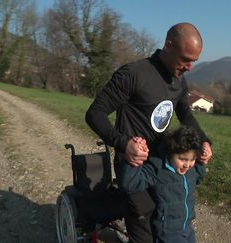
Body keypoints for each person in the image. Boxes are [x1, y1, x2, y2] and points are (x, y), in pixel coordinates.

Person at [85, 22, 213, 243]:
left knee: (168, 220)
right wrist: (124, 144)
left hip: (164, 162)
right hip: (135, 165)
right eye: (185, 59)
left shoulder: (179, 80)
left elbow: (185, 114)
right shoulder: (133, 74)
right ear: (168, 45)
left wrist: (203, 142)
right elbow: (95, 113)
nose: (189, 67)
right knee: (145, 224)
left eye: (194, 61)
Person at [118, 126, 206, 243]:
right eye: (183, 159)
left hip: (187, 226)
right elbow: (131, 184)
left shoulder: (191, 169)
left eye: (192, 159)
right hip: (168, 232)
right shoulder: (158, 168)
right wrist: (132, 161)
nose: (187, 165)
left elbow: (199, 177)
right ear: (171, 152)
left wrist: (202, 161)